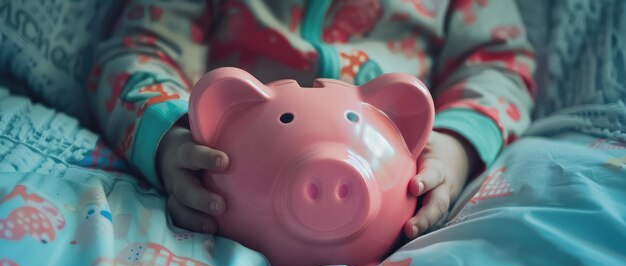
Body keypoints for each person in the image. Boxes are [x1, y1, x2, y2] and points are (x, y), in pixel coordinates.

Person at [89, 0, 535, 238]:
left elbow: (498, 66)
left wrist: (455, 145)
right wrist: (170, 140)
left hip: (389, 170)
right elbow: (136, 53)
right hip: (235, 172)